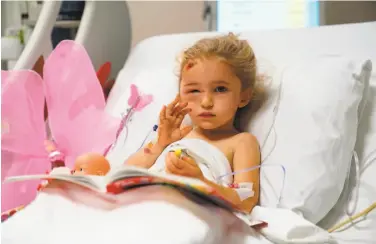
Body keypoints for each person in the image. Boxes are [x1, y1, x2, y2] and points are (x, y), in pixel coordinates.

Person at [126, 33, 264, 213]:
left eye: (220, 89)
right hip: (143, 202)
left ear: (244, 95)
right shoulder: (177, 135)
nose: (206, 101)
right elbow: (125, 172)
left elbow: (246, 202)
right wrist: (160, 143)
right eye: (194, 90)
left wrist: (201, 182)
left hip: (189, 211)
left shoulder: (241, 142)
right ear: (180, 95)